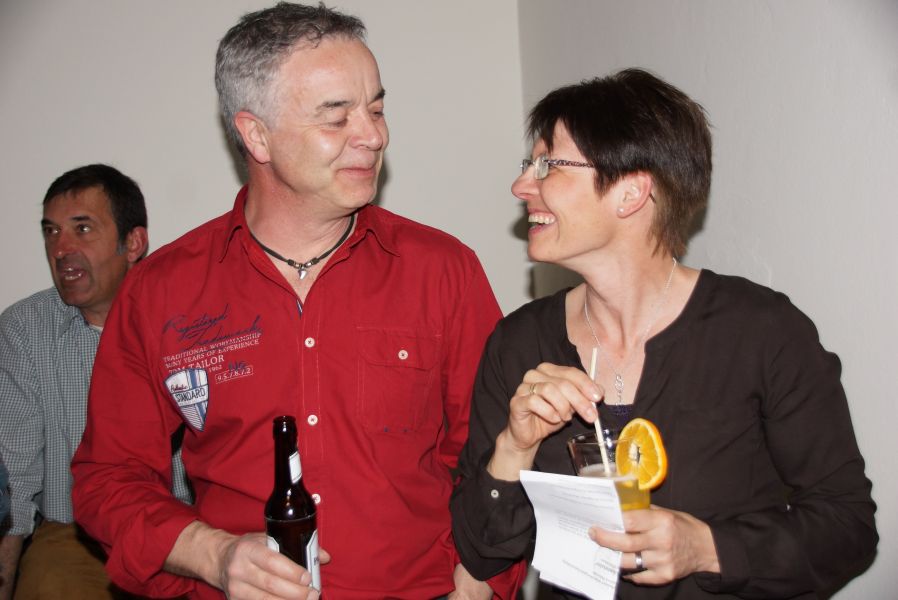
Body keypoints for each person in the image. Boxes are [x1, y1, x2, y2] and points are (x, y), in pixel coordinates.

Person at [71, 3, 521, 599]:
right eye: (336, 117)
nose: (374, 135)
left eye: (376, 108)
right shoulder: (161, 291)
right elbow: (108, 478)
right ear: (256, 134)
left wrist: (481, 577)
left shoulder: (443, 271)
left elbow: (500, 448)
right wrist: (214, 555)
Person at [450, 68, 878, 599]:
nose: (521, 186)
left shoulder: (762, 333)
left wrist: (708, 548)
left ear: (631, 192)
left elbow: (848, 526)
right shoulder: (518, 344)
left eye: (547, 165)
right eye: (527, 166)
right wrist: (514, 448)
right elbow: (481, 550)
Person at [0, 164, 192, 599]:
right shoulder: (25, 329)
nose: (61, 249)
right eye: (51, 232)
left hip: (184, 527)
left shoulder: (190, 319)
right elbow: (13, 480)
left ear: (134, 243)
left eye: (82, 229)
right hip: (75, 537)